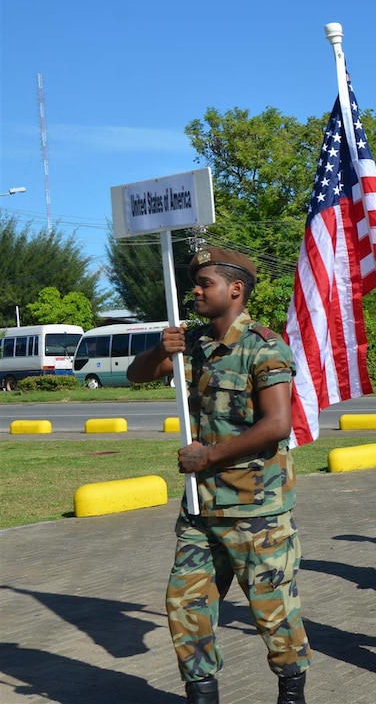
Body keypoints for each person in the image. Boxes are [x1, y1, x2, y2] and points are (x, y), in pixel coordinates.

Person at [127, 247, 310, 704]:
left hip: (256, 509)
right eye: (195, 282)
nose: (195, 290)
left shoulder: (264, 347)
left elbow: (276, 424)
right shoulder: (195, 345)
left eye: (205, 283)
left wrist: (207, 456)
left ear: (235, 289)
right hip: (201, 508)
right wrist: (159, 348)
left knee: (272, 612)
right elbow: (136, 375)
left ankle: (291, 692)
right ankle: (202, 693)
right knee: (185, 605)